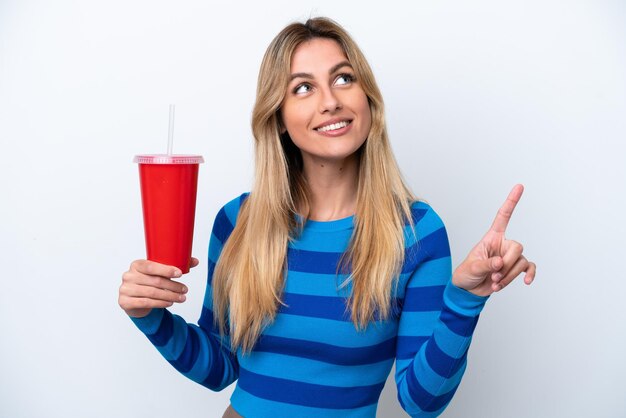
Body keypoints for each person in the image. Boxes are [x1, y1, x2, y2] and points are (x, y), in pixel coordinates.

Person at [118, 17, 536, 418]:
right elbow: (219, 368)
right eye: (303, 88)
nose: (330, 100)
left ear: (367, 98)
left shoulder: (417, 233)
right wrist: (149, 316)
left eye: (343, 78)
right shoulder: (237, 222)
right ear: (279, 118)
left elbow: (420, 403)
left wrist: (465, 300)